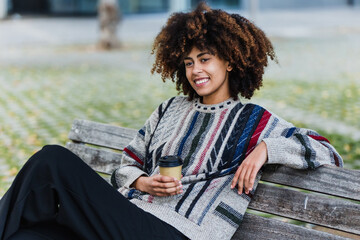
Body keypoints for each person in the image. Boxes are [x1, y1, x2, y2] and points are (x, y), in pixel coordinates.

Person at [0, 2, 343, 240]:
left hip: (179, 233)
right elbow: (127, 163)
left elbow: (326, 150)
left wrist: (265, 149)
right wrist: (141, 183)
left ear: (231, 62)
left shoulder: (252, 121)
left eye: (205, 59)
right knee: (29, 235)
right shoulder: (168, 110)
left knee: (51, 161)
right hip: (130, 220)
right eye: (189, 62)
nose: (196, 70)